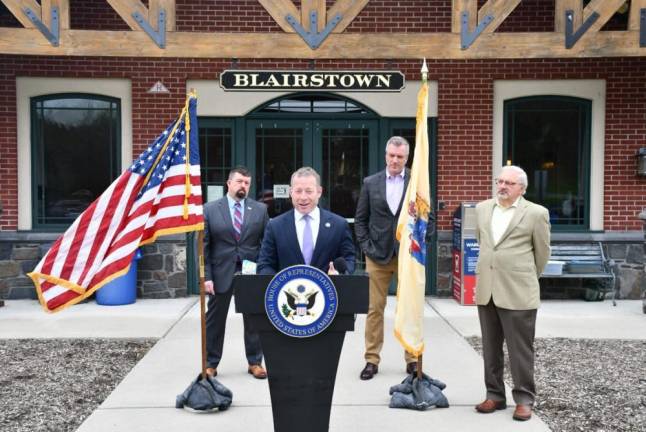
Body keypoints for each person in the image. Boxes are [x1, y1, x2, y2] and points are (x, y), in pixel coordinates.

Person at [473, 165, 551, 421]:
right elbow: (484, 243)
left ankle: (524, 399)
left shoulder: (536, 213)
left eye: (509, 183)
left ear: (522, 188)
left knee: (520, 350)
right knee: (490, 347)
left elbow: (542, 254)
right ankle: (494, 395)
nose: (502, 186)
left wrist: (524, 277)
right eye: (500, 181)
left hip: (518, 291)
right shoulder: (483, 209)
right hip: (487, 290)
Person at [355, 136, 417, 380]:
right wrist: (367, 247)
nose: (395, 160)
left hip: (408, 256)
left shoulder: (417, 181)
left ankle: (412, 359)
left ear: (406, 158)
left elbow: (428, 218)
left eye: (400, 156)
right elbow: (360, 219)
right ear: (385, 155)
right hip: (377, 256)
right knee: (374, 310)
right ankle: (371, 360)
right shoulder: (371, 183)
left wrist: (420, 245)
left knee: (410, 309)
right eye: (391, 155)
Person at [203, 166, 269, 379]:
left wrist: (263, 272)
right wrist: (207, 277)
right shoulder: (210, 209)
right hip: (221, 273)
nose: (243, 186)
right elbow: (204, 247)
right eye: (239, 181)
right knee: (214, 321)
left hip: (250, 273)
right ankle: (210, 363)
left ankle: (255, 362)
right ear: (229, 183)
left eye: (247, 183)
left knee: (253, 320)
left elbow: (266, 244)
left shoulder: (260, 209)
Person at [257, 167, 355, 275]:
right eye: (298, 191)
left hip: (328, 290)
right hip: (287, 291)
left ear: (319, 192)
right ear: (291, 192)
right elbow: (265, 264)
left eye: (309, 191)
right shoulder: (275, 226)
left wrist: (339, 275)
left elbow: (349, 259)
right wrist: (278, 284)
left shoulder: (339, 225)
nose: (303, 197)